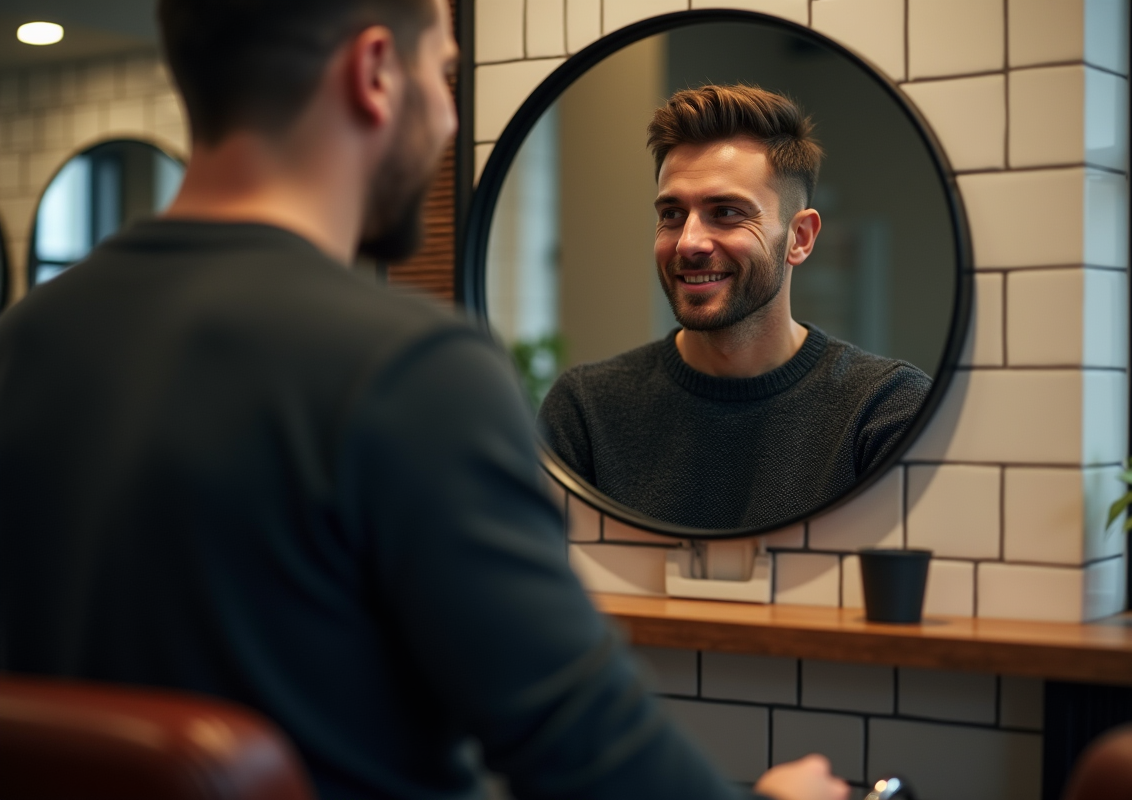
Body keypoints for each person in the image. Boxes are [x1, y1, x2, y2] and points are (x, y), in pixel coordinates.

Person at [0, 3, 848, 800]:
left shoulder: (26, 340)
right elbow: (581, 749)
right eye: (444, 74)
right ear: (374, 73)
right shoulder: (404, 367)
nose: (449, 119)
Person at [538, 85, 931, 530]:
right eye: (671, 214)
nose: (688, 242)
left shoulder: (882, 412)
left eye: (725, 212)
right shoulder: (586, 412)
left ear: (800, 238)